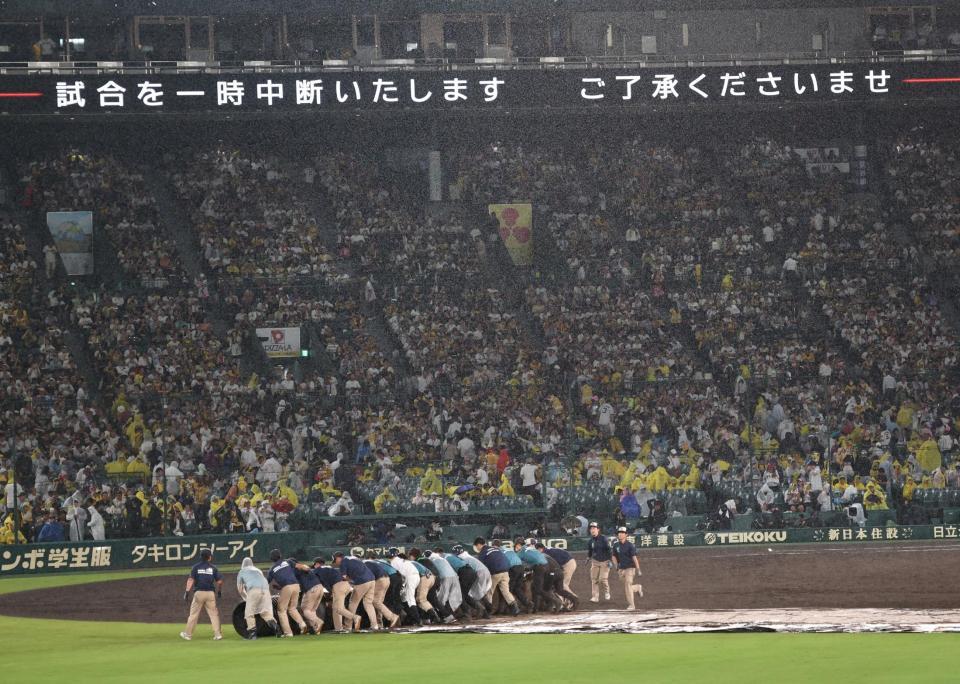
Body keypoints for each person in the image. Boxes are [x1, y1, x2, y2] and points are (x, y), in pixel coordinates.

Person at [179, 548, 223, 641]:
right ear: (209, 557)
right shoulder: (213, 568)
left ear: (201, 557)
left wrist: (187, 592)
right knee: (214, 614)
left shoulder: (195, 567)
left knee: (194, 614)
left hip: (199, 593)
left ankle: (188, 634)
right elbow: (219, 582)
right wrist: (219, 591)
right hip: (210, 593)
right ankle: (218, 634)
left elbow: (191, 580)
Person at [473, 537, 521, 616]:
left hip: (495, 573)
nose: (476, 548)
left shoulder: (483, 552)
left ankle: (488, 611)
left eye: (476, 546)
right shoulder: (495, 549)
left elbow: (481, 566)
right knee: (506, 591)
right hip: (506, 572)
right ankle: (515, 609)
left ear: (478, 545)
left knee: (489, 591)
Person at [267, 549, 307, 637]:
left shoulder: (272, 569)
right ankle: (302, 624)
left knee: (281, 610)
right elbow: (299, 566)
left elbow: (267, 582)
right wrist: (307, 568)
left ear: (272, 558)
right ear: (280, 556)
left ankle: (288, 632)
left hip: (287, 587)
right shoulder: (287, 562)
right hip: (296, 586)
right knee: (292, 608)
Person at [333, 552, 378, 630]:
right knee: (368, 604)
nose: (336, 563)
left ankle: (348, 626)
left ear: (338, 558)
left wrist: (351, 582)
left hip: (362, 582)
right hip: (372, 580)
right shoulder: (353, 558)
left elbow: (344, 577)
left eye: (335, 560)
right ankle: (375, 625)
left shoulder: (343, 562)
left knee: (353, 603)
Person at [309, 557, 355, 632]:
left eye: (314, 565)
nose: (314, 567)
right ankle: (339, 628)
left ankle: (355, 618)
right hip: (347, 585)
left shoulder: (318, 569)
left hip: (338, 586)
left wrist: (330, 592)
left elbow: (323, 582)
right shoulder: (330, 567)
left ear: (317, 564)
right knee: (338, 607)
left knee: (337, 608)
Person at [236, 557, 277, 640]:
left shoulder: (242, 571)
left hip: (254, 590)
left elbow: (240, 589)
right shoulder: (258, 570)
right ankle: (277, 629)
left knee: (249, 613)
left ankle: (252, 634)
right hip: (266, 590)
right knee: (265, 612)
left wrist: (246, 598)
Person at [363, 553, 402, 629]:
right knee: (379, 602)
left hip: (382, 579)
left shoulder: (363, 563)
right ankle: (380, 624)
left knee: (373, 602)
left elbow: (367, 578)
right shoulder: (377, 562)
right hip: (389, 578)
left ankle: (391, 617)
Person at [537, 542, 578, 607]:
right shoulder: (547, 550)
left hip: (567, 564)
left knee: (563, 585)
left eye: (537, 550)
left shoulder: (546, 553)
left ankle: (573, 600)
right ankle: (567, 601)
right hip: (568, 562)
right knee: (559, 585)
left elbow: (554, 565)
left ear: (540, 549)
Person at [611, 527, 643, 610]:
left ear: (626, 535)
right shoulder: (616, 545)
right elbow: (614, 556)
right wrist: (616, 565)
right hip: (621, 569)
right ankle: (637, 587)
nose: (620, 534)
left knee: (628, 584)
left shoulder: (630, 545)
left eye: (622, 533)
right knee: (627, 586)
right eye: (619, 532)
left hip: (630, 568)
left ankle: (632, 605)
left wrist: (638, 569)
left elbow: (634, 558)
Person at [585, 521, 611, 602]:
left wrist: (610, 560)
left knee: (602, 579)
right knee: (594, 579)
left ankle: (607, 592)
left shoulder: (604, 539)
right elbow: (590, 551)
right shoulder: (590, 541)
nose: (592, 530)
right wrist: (588, 558)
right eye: (591, 528)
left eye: (594, 528)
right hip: (595, 561)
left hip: (605, 561)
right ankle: (595, 597)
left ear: (598, 529)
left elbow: (609, 550)